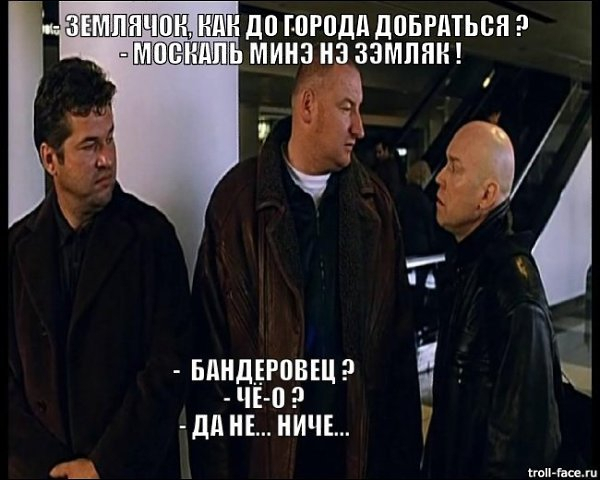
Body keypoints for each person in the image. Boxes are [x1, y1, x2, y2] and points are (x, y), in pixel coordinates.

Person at [187, 56, 422, 478]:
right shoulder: (236, 205)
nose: (360, 128)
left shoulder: (376, 208)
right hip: (267, 459)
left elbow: (398, 352)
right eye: (347, 108)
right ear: (308, 106)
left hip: (354, 458)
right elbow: (209, 363)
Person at [8, 57, 191, 479]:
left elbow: (170, 368)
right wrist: (53, 470)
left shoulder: (152, 239)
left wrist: (101, 466)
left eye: (109, 139)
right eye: (90, 146)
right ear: (50, 158)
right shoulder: (15, 252)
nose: (107, 158)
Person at [422, 120, 562, 478]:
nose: (440, 178)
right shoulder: (466, 267)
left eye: (455, 168)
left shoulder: (513, 291)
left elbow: (522, 448)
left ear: (486, 196)